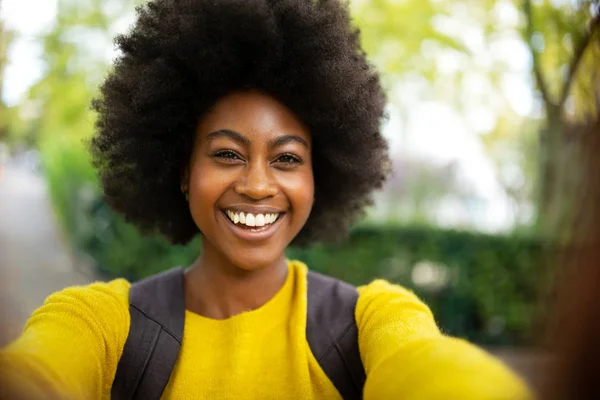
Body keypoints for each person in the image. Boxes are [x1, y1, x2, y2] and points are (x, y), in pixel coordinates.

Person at [0, 0, 531, 399]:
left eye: (287, 159)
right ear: (183, 172)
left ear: (319, 178)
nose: (257, 185)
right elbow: (38, 371)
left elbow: (431, 368)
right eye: (228, 154)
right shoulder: (104, 323)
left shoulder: (369, 321)